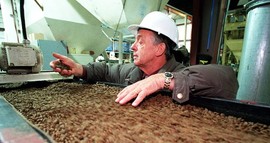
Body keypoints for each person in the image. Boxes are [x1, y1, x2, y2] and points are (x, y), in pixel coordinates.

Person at [50, 11, 239, 107]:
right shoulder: (133, 73)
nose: (132, 46)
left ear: (160, 49)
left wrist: (161, 80)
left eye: (140, 41)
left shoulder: (179, 74)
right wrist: (79, 69)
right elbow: (107, 70)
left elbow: (227, 77)